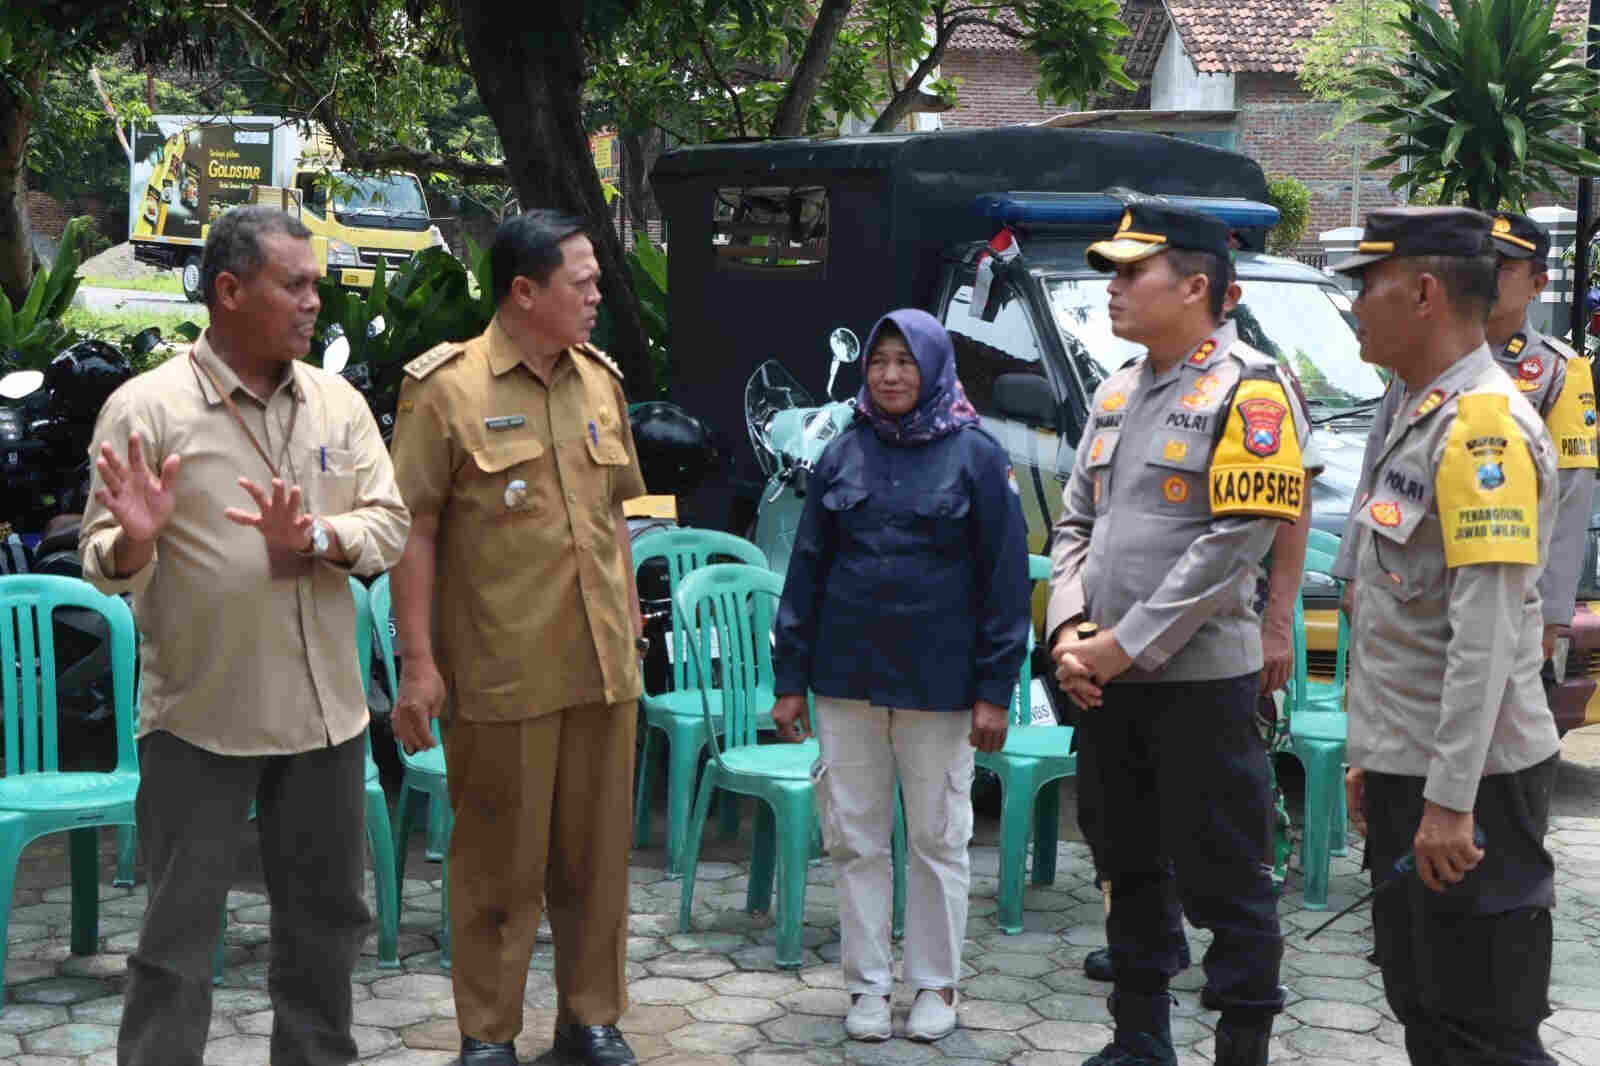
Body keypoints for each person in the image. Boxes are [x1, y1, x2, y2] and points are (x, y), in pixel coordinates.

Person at [79, 205, 411, 1066]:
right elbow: (102, 562)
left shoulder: (337, 403)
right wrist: (138, 539)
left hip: (326, 719)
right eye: (293, 285)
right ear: (229, 291)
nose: (314, 302)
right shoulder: (147, 409)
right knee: (176, 944)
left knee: (326, 931)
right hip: (202, 717)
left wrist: (319, 536)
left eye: (315, 285)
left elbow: (390, 525)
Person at [1050, 203, 1318, 1066]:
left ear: (1196, 286)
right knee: (1124, 864)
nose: (1114, 287)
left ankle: (1242, 1045)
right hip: (1105, 682)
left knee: (1228, 878)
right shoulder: (1115, 389)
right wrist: (1071, 633)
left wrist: (1122, 645)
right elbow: (1074, 524)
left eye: (1134, 272)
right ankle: (1139, 1041)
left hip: (1200, 685)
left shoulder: (1252, 389)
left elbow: (1234, 541)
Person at [387, 210, 648, 1066]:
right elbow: (413, 529)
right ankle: (489, 1033)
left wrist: (631, 622)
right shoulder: (447, 388)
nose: (597, 295)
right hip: (503, 667)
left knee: (597, 861)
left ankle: (590, 1021)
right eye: (583, 282)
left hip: (602, 668)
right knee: (498, 863)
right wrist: (419, 664)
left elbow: (615, 514)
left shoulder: (600, 381)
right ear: (524, 292)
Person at [1330, 206, 1561, 1065]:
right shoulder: (1419, 411)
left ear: (1424, 293)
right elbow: (1403, 615)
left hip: (1472, 784)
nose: (1355, 306)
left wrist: (1450, 801)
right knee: (1424, 1003)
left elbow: (1486, 635)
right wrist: (1376, 755)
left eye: (1367, 285)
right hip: (1419, 767)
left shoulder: (1481, 426)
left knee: (1481, 1026)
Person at [770, 308, 1029, 1044]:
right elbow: (806, 571)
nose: (889, 375)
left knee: (939, 840)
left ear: (934, 368)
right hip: (845, 680)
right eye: (879, 361)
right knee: (854, 839)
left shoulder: (977, 456)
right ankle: (867, 987)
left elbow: (1006, 584)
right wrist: (790, 680)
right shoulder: (843, 452)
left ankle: (935, 985)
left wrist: (994, 691)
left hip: (940, 688)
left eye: (905, 362)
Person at [1486, 213, 1598, 671]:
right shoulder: (1425, 356)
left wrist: (1552, 616)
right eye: (1479, 262)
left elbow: (1571, 497)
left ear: (1537, 285)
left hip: (1514, 593)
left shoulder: (1557, 371)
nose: (1487, 277)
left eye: (1504, 268)